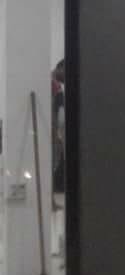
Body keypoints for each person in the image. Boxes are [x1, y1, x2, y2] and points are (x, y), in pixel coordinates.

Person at [51, 59, 65, 195]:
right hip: (53, 129)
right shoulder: (54, 84)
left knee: (55, 160)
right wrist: (59, 133)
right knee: (53, 160)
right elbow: (59, 116)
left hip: (55, 129)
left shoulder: (56, 84)